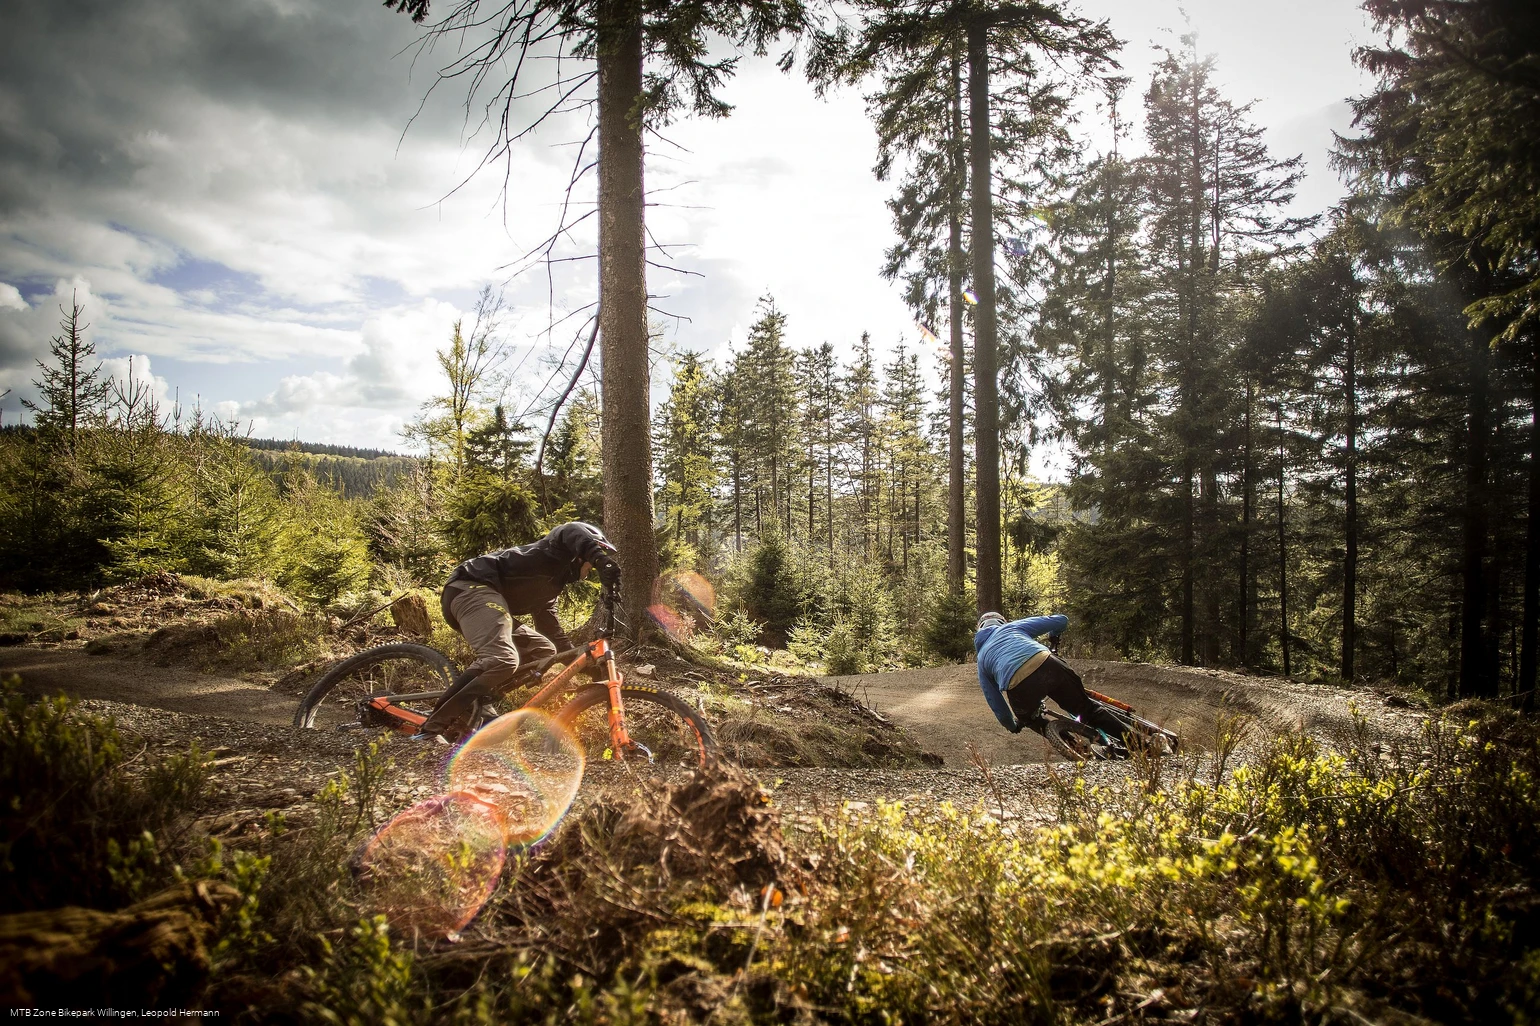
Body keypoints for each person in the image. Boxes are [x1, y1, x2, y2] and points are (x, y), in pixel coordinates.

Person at [417, 521, 621, 737]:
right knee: (503, 658)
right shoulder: (551, 553)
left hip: (487, 605)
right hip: (471, 587)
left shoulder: (550, 591)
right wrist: (601, 559)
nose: (589, 572)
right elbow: (571, 530)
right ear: (581, 556)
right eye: (590, 565)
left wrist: (585, 668)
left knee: (543, 650)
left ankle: (480, 702)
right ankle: (435, 724)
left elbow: (555, 636)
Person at [974, 611, 1128, 745]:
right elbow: (1061, 620)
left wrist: (1012, 726)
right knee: (1087, 710)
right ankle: (1142, 746)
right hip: (1048, 664)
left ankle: (1075, 749)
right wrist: (1053, 636)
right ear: (1003, 622)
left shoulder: (981, 659)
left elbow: (995, 701)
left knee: (1030, 719)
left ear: (979, 630)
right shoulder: (1012, 627)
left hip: (1019, 685)